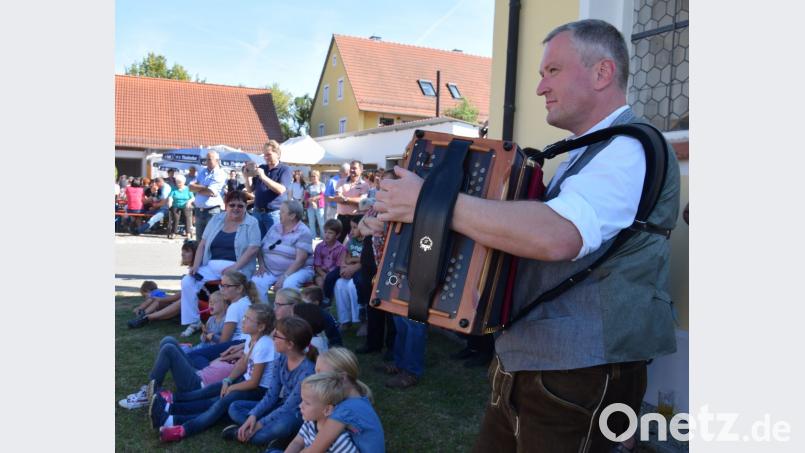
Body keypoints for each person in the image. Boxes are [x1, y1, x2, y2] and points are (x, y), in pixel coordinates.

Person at [375, 19, 680, 452]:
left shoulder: (629, 148)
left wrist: (430, 203)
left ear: (602, 73)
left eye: (552, 71)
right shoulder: (593, 150)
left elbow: (558, 236)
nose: (539, 88)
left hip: (578, 373)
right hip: (538, 366)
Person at [152, 304, 277, 442]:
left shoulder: (265, 345)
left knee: (218, 403)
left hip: (259, 390)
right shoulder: (251, 338)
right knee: (209, 390)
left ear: (261, 327)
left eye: (248, 319)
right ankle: (170, 404)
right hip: (245, 380)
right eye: (245, 317)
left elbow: (254, 383)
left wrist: (232, 387)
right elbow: (242, 364)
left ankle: (180, 427)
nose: (243, 320)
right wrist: (228, 380)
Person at [223, 316, 318, 447]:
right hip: (280, 406)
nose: (272, 337)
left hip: (297, 414)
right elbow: (271, 395)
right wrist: (253, 416)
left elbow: (289, 407)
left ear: (290, 344)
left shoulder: (307, 371)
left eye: (277, 336)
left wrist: (259, 424)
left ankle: (242, 433)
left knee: (282, 427)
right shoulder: (281, 359)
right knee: (235, 407)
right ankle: (264, 433)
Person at [180, 191, 261, 337]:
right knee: (187, 281)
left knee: (230, 286)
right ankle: (194, 321)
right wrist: (196, 265)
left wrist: (235, 268)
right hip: (210, 265)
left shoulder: (252, 222)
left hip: (238, 267)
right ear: (226, 205)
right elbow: (203, 243)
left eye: (240, 206)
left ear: (245, 206)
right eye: (232, 205)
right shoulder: (217, 219)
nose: (236, 208)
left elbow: (253, 248)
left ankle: (229, 321)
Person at [312, 347, 385, 452]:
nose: (314, 379)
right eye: (315, 372)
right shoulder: (357, 398)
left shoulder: (346, 410)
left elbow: (314, 450)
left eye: (320, 374)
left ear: (342, 378)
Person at [251, 200, 315, 303]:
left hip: (298, 270)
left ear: (292, 216)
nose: (279, 214)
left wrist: (284, 277)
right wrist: (262, 265)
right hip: (271, 270)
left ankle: (287, 316)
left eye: (282, 212)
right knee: (256, 282)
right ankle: (263, 315)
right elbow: (260, 247)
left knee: (288, 284)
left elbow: (300, 260)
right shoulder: (275, 227)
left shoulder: (303, 232)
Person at [280, 372, 359, 453]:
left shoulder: (339, 440)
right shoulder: (309, 423)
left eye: (307, 403)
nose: (300, 405)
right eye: (302, 400)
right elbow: (297, 443)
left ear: (327, 410)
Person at [127, 240, 197, 329]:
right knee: (159, 301)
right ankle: (142, 316)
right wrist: (160, 299)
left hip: (191, 305)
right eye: (182, 251)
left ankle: (147, 318)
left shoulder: (197, 271)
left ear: (196, 254)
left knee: (179, 301)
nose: (182, 254)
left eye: (187, 251)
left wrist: (162, 298)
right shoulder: (191, 270)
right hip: (184, 303)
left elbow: (183, 295)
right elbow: (181, 294)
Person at [244, 140, 292, 238]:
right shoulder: (262, 167)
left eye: (269, 154)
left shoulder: (285, 169)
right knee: (256, 242)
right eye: (264, 155)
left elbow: (281, 190)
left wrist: (263, 176)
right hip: (257, 212)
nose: (265, 157)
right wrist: (246, 176)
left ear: (277, 154)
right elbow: (250, 190)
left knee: (273, 243)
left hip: (274, 213)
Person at [189, 150, 227, 241]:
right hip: (199, 211)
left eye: (209, 159)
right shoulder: (202, 171)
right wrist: (204, 187)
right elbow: (190, 187)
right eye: (206, 159)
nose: (207, 162)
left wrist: (197, 188)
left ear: (217, 160)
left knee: (211, 239)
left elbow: (211, 191)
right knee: (199, 240)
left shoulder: (220, 173)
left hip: (212, 211)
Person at [333, 217, 363, 330]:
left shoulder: (369, 240)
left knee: (352, 285)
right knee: (339, 284)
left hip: (362, 272)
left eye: (355, 228)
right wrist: (344, 267)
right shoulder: (351, 240)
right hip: (351, 269)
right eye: (351, 227)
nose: (351, 231)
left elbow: (367, 259)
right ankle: (344, 320)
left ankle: (360, 320)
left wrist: (353, 263)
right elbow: (345, 255)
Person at [335, 160, 369, 243]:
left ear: (361, 170)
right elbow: (338, 198)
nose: (352, 170)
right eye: (351, 168)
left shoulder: (365, 185)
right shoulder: (341, 181)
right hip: (341, 218)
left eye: (354, 168)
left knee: (355, 244)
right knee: (337, 243)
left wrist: (346, 199)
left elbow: (362, 201)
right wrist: (353, 200)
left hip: (356, 219)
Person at [167, 173, 195, 240]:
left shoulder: (188, 189)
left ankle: (188, 233)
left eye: (180, 182)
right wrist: (170, 202)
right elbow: (170, 197)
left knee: (187, 217)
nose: (178, 184)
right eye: (177, 182)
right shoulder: (174, 189)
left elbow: (193, 198)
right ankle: (173, 233)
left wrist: (189, 201)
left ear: (184, 182)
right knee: (175, 218)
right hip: (176, 205)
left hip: (185, 205)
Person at [305, 170, 326, 238]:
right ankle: (312, 237)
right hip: (310, 206)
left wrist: (313, 199)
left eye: (314, 176)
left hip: (319, 206)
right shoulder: (308, 185)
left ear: (318, 176)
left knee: (321, 223)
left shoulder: (322, 185)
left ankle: (323, 237)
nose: (313, 177)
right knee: (311, 223)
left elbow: (322, 195)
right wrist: (312, 202)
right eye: (312, 176)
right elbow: (306, 196)